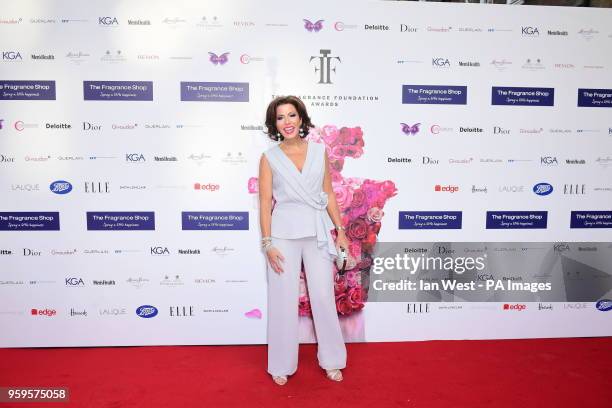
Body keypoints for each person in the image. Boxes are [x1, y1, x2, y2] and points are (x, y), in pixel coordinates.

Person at [259, 95, 348, 386]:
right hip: (283, 234)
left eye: (291, 115)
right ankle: (281, 364)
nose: (287, 122)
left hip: (318, 232)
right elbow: (264, 202)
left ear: (301, 118)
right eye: (280, 117)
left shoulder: (318, 151)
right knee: (282, 300)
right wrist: (267, 243)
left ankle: (333, 359)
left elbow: (329, 193)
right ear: (275, 124)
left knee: (323, 297)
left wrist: (341, 230)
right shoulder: (269, 157)